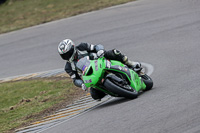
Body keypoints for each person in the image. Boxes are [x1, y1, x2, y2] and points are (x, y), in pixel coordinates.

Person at [58, 39, 141, 100]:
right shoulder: (68, 67)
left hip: (100, 60)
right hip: (92, 74)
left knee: (114, 52)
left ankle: (131, 63)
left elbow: (97, 46)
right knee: (94, 95)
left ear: (73, 48)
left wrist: (100, 50)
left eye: (68, 53)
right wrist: (82, 84)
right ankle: (110, 89)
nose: (67, 56)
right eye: (64, 55)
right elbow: (75, 79)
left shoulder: (82, 47)